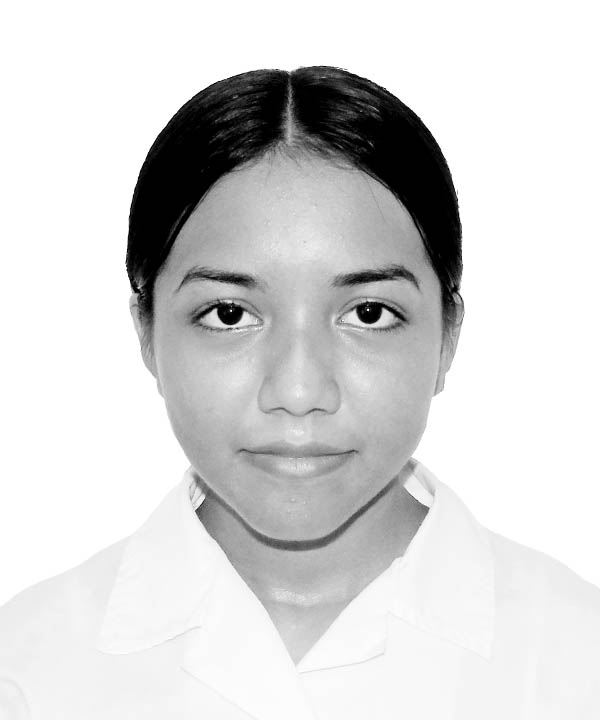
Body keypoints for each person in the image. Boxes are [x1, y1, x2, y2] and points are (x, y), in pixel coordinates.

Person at [1, 65, 599, 719]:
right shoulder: (27, 674)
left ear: (448, 335)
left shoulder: (577, 661)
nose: (298, 390)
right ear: (146, 332)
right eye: (230, 313)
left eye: (368, 313)